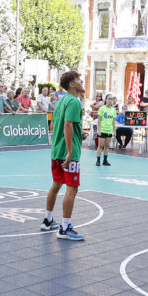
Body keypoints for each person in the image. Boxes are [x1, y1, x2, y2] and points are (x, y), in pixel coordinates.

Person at [40, 70, 86, 241]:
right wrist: (70, 151)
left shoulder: (61, 101)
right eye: (79, 79)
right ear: (72, 84)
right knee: (72, 188)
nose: (82, 81)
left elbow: (60, 125)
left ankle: (47, 219)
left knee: (57, 184)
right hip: (68, 153)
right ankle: (65, 228)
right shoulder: (73, 101)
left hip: (56, 150)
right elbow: (68, 125)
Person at [96, 95, 116, 166]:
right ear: (106, 100)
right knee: (100, 145)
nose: (110, 100)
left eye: (111, 99)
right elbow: (99, 120)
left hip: (109, 130)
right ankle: (98, 160)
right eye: (109, 99)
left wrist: (114, 130)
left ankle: (105, 160)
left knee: (107, 146)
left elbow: (113, 121)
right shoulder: (102, 108)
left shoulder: (113, 110)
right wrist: (99, 130)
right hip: (102, 129)